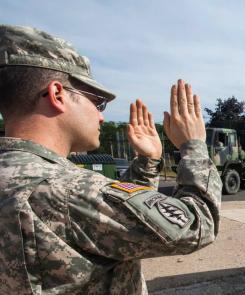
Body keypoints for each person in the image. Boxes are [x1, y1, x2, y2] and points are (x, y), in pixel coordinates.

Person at [0, 25, 222, 294]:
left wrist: (146, 162)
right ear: (58, 95)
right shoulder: (67, 191)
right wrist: (194, 145)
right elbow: (198, 225)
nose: (101, 116)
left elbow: (110, 225)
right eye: (97, 102)